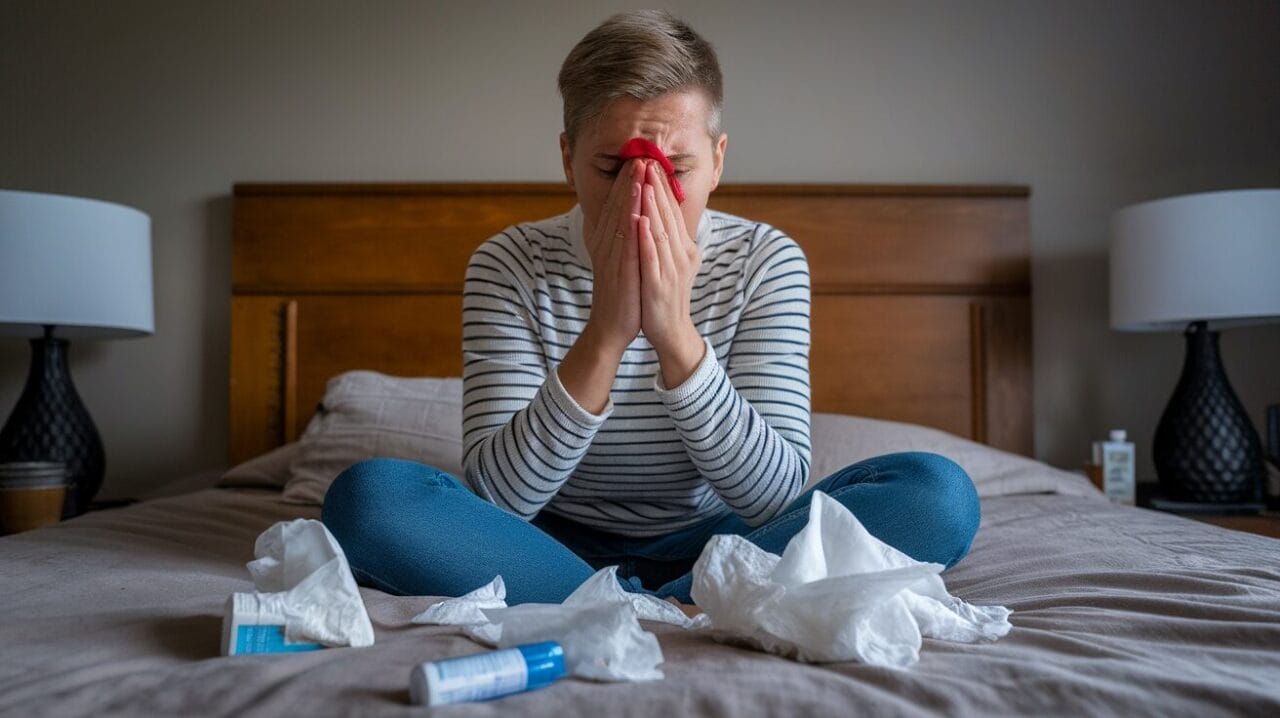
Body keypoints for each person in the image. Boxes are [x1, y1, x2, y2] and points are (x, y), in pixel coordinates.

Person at [322, 10, 979, 606]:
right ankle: (688, 604)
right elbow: (502, 498)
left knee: (937, 496)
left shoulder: (764, 260)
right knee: (368, 500)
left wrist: (674, 333)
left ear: (717, 163)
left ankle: (641, 600)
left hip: (727, 539)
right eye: (613, 168)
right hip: (543, 542)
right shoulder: (510, 262)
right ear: (567, 159)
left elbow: (774, 495)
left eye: (678, 170)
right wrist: (607, 333)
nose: (644, 196)